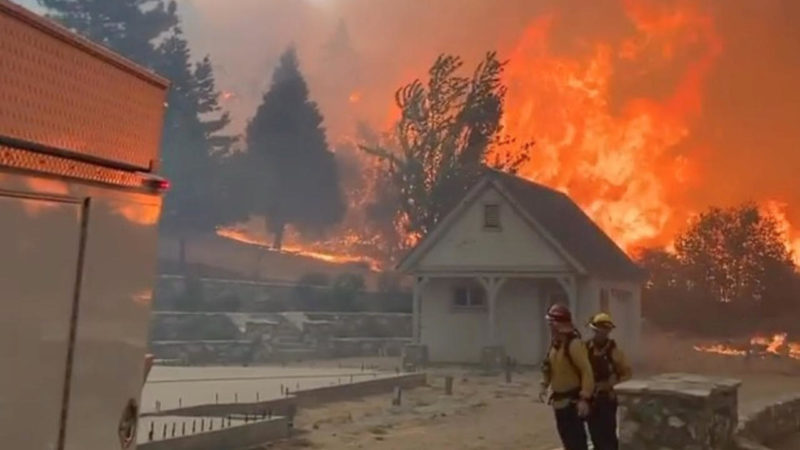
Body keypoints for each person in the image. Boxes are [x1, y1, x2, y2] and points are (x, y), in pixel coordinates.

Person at [539, 304, 594, 450]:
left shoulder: (574, 345)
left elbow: (587, 372)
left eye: (552, 323)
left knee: (576, 442)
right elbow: (548, 367)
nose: (550, 327)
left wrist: (584, 398)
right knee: (568, 442)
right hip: (559, 403)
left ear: (559, 324)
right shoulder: (555, 345)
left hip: (572, 402)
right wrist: (544, 384)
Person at [585, 312, 633, 450]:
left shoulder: (615, 352)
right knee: (594, 433)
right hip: (591, 398)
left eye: (605, 330)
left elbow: (627, 374)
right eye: (599, 329)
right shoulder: (585, 349)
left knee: (608, 435)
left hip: (607, 399)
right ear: (594, 330)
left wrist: (612, 385)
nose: (602, 333)